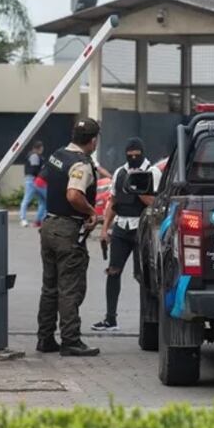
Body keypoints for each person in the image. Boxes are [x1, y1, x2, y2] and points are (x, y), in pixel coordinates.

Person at [36, 119, 102, 357]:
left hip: (49, 226)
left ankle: (45, 338)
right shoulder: (81, 164)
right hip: (67, 230)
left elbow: (43, 181)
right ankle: (71, 340)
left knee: (50, 287)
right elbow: (74, 195)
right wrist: (91, 211)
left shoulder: (58, 155)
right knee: (69, 289)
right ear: (93, 140)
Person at [92, 138, 163, 332]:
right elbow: (113, 202)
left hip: (143, 228)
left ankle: (150, 323)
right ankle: (110, 319)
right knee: (113, 272)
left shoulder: (152, 172)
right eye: (129, 155)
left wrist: (138, 188)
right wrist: (105, 229)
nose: (133, 158)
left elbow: (156, 203)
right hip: (121, 227)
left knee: (145, 276)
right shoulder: (120, 172)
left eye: (136, 155)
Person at [20, 141, 48, 228]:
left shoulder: (32, 155)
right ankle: (24, 219)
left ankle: (38, 220)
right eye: (42, 148)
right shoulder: (34, 156)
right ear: (39, 148)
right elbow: (34, 169)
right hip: (34, 180)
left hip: (32, 180)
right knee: (29, 199)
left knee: (42, 201)